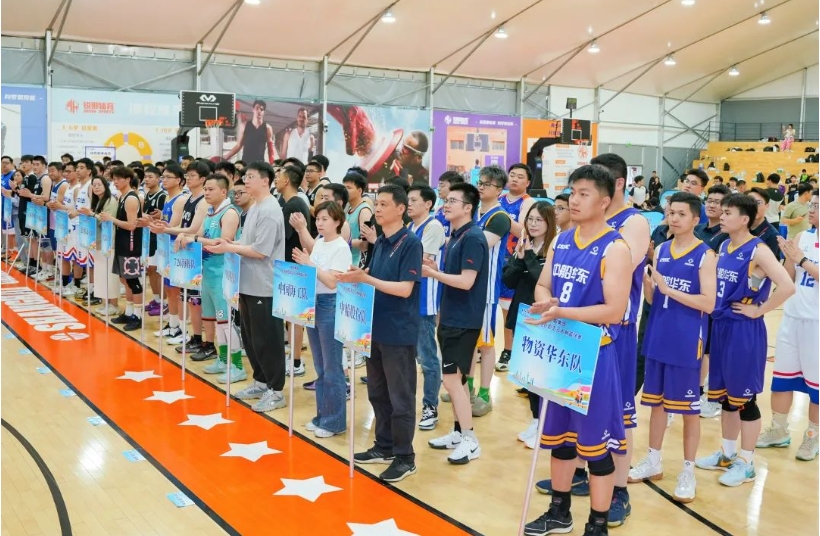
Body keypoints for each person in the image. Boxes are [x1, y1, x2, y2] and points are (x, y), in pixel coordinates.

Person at [524, 164, 632, 536]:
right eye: (573, 191)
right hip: (560, 349)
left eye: (584, 193)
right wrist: (546, 301)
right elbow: (543, 284)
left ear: (604, 201)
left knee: (595, 446)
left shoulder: (616, 248)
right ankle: (559, 511)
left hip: (594, 354)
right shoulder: (562, 239)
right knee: (560, 440)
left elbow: (614, 311)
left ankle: (597, 524)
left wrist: (562, 311)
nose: (574, 199)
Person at [696, 194, 795, 486]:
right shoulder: (724, 246)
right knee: (726, 398)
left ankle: (747, 462)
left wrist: (759, 310)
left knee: (745, 400)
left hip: (744, 331)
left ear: (744, 219)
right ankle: (727, 455)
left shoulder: (758, 250)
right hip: (721, 326)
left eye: (728, 212)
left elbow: (787, 286)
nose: (721, 216)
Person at [629, 192, 717, 504]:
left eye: (681, 214)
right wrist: (651, 290)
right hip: (658, 335)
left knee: (689, 411)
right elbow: (656, 299)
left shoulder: (706, 255)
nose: (674, 218)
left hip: (686, 340)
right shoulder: (662, 249)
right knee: (656, 405)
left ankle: (688, 471)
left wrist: (668, 289)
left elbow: (709, 303)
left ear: (696, 219)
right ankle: (653, 459)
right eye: (671, 212)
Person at [345, 184, 422, 482]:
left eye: (384, 204)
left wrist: (367, 279)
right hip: (373, 328)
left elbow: (405, 289)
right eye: (376, 204)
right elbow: (373, 279)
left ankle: (405, 457)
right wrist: (356, 278)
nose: (377, 209)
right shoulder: (380, 242)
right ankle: (384, 445)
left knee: (401, 397)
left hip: (398, 333)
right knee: (378, 392)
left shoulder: (410, 243)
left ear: (401, 209)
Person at [588, 153, 650, 528]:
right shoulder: (592, 221)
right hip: (583, 324)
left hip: (618, 329)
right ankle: (589, 472)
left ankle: (620, 489)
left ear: (618, 183)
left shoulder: (634, 222)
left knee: (620, 412)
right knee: (581, 403)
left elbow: (616, 268)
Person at [207, 162, 287, 413]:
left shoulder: (270, 210)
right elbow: (246, 241)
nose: (246, 180)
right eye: (245, 176)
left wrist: (229, 247)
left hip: (264, 285)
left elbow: (261, 251)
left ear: (266, 181)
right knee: (252, 339)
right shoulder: (254, 207)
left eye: (251, 176)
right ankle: (261, 381)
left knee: (268, 340)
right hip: (247, 283)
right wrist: (227, 242)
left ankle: (276, 390)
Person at [423, 183, 488, 464]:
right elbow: (456, 276)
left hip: (464, 320)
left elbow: (466, 281)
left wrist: (432, 275)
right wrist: (437, 270)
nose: (446, 205)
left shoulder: (472, 237)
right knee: (457, 380)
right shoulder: (456, 235)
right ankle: (459, 432)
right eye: (446, 200)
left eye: (453, 201)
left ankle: (471, 440)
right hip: (451, 317)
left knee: (451, 381)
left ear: (468, 207)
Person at [757, 192, 818, 460]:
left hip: (816, 323)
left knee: (816, 387)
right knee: (782, 379)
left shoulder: (804, 247)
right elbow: (790, 278)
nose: (811, 210)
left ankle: (812, 437)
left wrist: (802, 259)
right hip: (793, 317)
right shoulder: (803, 237)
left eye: (817, 206)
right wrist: (786, 260)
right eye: (812, 205)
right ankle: (779, 430)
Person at [292, 201, 351, 438]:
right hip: (313, 302)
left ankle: (335, 421)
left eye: (325, 219)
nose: (320, 223)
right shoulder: (319, 242)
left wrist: (309, 263)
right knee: (320, 366)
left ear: (337, 221)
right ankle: (322, 416)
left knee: (332, 366)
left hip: (330, 304)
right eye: (317, 219)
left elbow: (332, 281)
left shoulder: (341, 247)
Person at [502, 201, 556, 449]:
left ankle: (546, 424)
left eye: (538, 220)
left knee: (541, 374)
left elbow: (541, 279)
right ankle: (536, 420)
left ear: (549, 223)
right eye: (530, 220)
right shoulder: (524, 246)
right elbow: (509, 280)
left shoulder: (552, 250)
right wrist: (520, 258)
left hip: (541, 318)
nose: (533, 224)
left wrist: (528, 258)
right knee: (528, 375)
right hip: (521, 313)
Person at [177, 174, 242, 379]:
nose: (206, 192)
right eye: (205, 189)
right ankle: (223, 360)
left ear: (223, 191)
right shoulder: (210, 211)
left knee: (226, 322)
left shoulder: (229, 213)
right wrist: (185, 235)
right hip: (207, 273)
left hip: (223, 275)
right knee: (213, 320)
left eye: (210, 189)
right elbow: (199, 235)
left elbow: (223, 243)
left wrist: (194, 239)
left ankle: (237, 365)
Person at [470, 166, 511, 416]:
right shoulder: (473, 211)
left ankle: (485, 393)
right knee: (468, 342)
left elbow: (478, 244)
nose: (481, 187)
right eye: (480, 182)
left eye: (487, 184)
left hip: (484, 289)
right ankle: (467, 387)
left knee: (485, 343)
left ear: (499, 190)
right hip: (466, 285)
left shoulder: (500, 217)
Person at [406, 184, 446, 430]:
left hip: (423, 302)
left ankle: (430, 406)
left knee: (428, 358)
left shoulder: (433, 227)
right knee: (408, 357)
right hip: (407, 299)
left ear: (428, 204)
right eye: (407, 200)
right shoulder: (411, 227)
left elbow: (422, 263)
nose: (408, 204)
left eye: (413, 200)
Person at [695, 184, 731, 419]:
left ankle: (704, 394)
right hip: (691, 297)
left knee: (707, 349)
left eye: (718, 202)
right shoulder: (698, 229)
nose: (711, 204)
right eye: (709, 200)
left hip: (713, 299)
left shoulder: (726, 236)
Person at [496, 164, 535, 372]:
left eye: (520, 176)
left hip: (513, 262)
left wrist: (500, 217)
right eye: (512, 175)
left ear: (528, 182)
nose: (515, 179)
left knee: (509, 311)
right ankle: (482, 346)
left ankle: (509, 351)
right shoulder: (498, 198)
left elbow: (524, 232)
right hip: (494, 260)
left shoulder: (528, 203)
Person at [275, 166, 311, 375]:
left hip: (295, 265)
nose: (276, 179)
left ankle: (296, 361)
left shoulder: (294, 204)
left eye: (279, 176)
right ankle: (293, 357)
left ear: (287, 180)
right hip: (289, 265)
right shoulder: (288, 202)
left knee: (295, 316)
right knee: (290, 316)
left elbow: (285, 237)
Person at [102, 166, 144, 331]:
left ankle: (138, 316)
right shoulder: (122, 196)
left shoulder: (131, 199)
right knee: (124, 279)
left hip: (130, 245)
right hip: (122, 242)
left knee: (133, 281)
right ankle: (129, 312)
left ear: (128, 179)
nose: (116, 182)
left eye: (119, 178)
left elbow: (132, 225)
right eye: (114, 179)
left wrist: (111, 218)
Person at [149, 165, 187, 339]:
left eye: (168, 177)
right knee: (169, 290)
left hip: (176, 249)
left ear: (178, 180)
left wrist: (154, 225)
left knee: (176, 291)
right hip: (165, 249)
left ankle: (180, 327)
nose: (163, 180)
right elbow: (165, 225)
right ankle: (172, 324)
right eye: (163, 177)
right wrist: (152, 222)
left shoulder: (180, 200)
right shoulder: (167, 198)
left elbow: (173, 227)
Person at [79, 176, 120, 315]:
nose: (96, 187)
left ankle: (114, 305)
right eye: (94, 185)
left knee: (110, 276)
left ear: (105, 186)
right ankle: (105, 303)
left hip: (109, 243)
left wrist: (91, 214)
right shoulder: (98, 201)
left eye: (99, 184)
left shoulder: (110, 201)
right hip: (99, 242)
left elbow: (107, 221)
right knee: (101, 275)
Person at [138, 166, 167, 316]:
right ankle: (156, 299)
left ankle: (164, 302)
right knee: (150, 270)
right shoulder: (147, 194)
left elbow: (163, 218)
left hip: (158, 238)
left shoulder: (162, 196)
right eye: (146, 177)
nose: (147, 179)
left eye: (150, 177)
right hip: (147, 235)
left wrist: (155, 217)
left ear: (158, 179)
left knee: (157, 271)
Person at [343, 171, 373, 267]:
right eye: (344, 187)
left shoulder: (364, 211)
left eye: (349, 188)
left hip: (357, 263)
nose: (345, 191)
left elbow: (365, 243)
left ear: (359, 191)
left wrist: (342, 242)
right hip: (347, 260)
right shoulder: (349, 209)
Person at [747, 188, 782, 258]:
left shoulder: (772, 236)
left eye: (758, 203)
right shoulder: (740, 228)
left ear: (767, 206)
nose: (753, 207)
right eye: (749, 202)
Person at [434, 171, 464, 239]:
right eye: (438, 185)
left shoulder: (458, 211)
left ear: (454, 187)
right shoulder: (438, 210)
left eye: (442, 186)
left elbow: (455, 239)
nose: (438, 188)